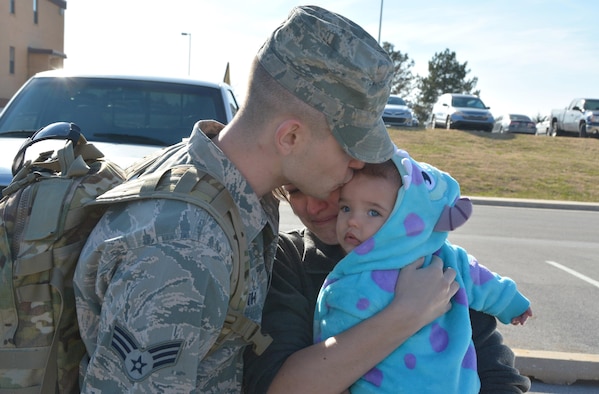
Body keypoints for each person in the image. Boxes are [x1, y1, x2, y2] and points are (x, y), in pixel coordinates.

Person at [73, 5, 402, 392]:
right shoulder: (183, 248)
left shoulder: (224, 184)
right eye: (350, 144)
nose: (358, 161)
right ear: (290, 138)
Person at [243, 170, 532, 394]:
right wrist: (407, 313)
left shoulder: (427, 255)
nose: (315, 206)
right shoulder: (287, 257)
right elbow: (276, 385)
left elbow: (500, 376)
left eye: (330, 185)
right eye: (295, 190)